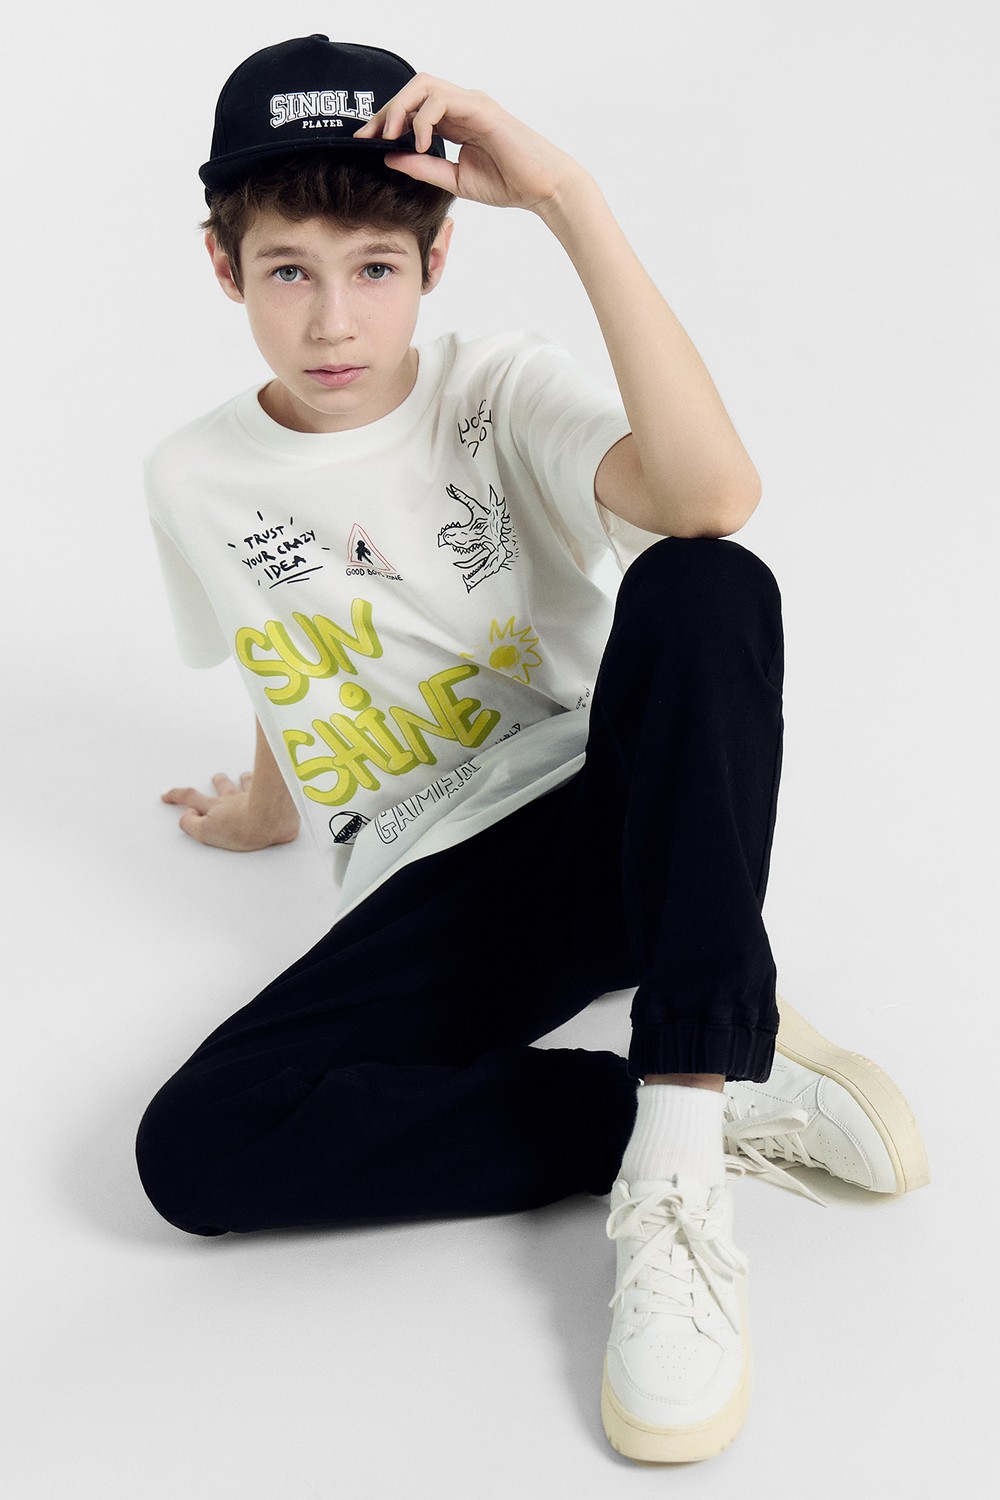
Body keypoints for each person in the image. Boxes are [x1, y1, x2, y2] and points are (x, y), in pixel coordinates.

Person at [135, 36, 928, 1465]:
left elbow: (714, 492)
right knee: (194, 1151)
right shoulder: (190, 477)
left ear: (437, 260)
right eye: (289, 270)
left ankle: (678, 1158)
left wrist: (568, 196)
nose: (332, 319)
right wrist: (264, 806)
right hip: (430, 890)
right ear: (223, 268)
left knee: (706, 579)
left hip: (610, 817)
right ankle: (683, 1103)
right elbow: (275, 643)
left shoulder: (495, 389)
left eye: (376, 266)